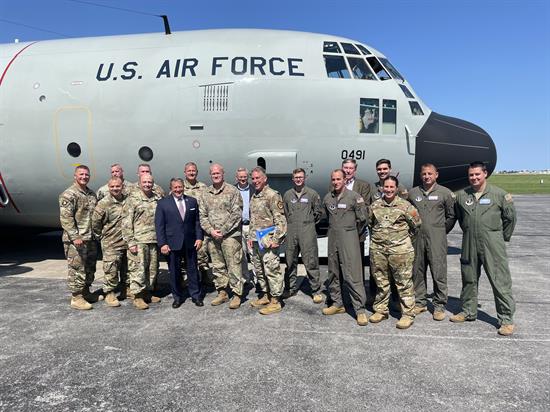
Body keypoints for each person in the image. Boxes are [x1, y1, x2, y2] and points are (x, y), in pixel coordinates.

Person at [450, 161, 517, 336]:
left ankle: (506, 319)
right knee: (469, 278)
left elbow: (510, 219)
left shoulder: (499, 195)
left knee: (499, 281)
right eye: (471, 175)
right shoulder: (462, 196)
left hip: (492, 243)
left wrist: (500, 238)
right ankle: (468, 311)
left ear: (485, 174)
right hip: (469, 241)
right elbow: (455, 215)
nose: (474, 178)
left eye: (477, 174)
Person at [368, 176, 421, 329]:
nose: (389, 190)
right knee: (381, 281)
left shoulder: (406, 206)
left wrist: (400, 241)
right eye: (386, 187)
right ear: (382, 188)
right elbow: (371, 225)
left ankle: (408, 314)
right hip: (379, 251)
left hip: (401, 252)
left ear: (396, 189)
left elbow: (416, 226)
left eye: (392, 187)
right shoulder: (375, 206)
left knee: (404, 283)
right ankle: (381, 310)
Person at [408, 164, 456, 320]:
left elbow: (451, 216)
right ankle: (420, 302)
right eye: (424, 174)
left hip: (437, 238)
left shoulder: (445, 193)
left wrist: (440, 231)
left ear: (436, 175)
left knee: (438, 271)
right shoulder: (413, 193)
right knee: (417, 270)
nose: (427, 176)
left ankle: (439, 305)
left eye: (430, 173)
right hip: (417, 238)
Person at [322, 169, 369, 326]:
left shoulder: (354, 197)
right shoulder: (328, 198)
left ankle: (360, 309)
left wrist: (352, 234)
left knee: (352, 274)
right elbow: (327, 217)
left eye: (338, 179)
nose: (335, 182)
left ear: (345, 180)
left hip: (349, 237)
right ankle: (337, 303)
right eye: (333, 179)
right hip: (333, 237)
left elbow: (363, 220)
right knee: (333, 272)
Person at [200, 164, 244, 309]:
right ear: (210, 175)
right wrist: (211, 231)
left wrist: (223, 231)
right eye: (213, 173)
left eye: (218, 173)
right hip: (213, 237)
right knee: (218, 266)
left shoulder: (232, 191)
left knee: (233, 266)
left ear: (223, 174)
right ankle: (222, 292)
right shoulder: (206, 193)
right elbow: (202, 215)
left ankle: (237, 294)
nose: (216, 175)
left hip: (230, 236)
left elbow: (236, 214)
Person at [155, 178, 204, 308]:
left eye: (180, 187)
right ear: (171, 188)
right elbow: (159, 226)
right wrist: (162, 244)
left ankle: (196, 296)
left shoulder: (192, 201)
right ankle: (177, 297)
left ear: (183, 187)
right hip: (172, 243)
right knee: (175, 272)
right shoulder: (163, 204)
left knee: (193, 270)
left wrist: (199, 238)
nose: (178, 190)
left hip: (190, 242)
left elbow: (197, 222)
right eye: (175, 187)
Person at [248, 166, 287, 315]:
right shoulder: (254, 196)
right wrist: (251, 237)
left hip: (269, 241)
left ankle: (276, 301)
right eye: (254, 178)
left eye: (258, 178)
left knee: (272, 269)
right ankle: (266, 295)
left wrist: (277, 239)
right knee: (259, 270)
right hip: (257, 241)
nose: (255, 181)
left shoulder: (272, 195)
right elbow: (253, 220)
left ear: (265, 179)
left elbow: (280, 220)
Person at [59, 165, 98, 310]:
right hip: (76, 240)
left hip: (90, 238)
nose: (84, 177)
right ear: (75, 176)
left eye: (87, 174)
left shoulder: (91, 194)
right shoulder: (69, 194)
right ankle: (76, 297)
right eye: (81, 174)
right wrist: (75, 236)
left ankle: (86, 292)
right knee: (77, 268)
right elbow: (66, 218)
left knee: (89, 268)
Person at [282, 168, 323, 303]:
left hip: (307, 230)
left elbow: (318, 213)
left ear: (305, 178)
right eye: (296, 177)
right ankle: (290, 288)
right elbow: (285, 213)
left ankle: (316, 290)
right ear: (292, 179)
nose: (298, 179)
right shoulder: (287, 195)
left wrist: (308, 224)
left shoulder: (312, 194)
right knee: (290, 261)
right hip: (292, 230)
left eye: (300, 177)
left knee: (311, 261)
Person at [122, 174, 162, 310]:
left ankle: (147, 293)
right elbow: (126, 222)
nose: (147, 184)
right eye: (145, 182)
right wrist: (130, 242)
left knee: (151, 269)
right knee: (138, 269)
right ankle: (137, 296)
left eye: (150, 182)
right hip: (138, 240)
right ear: (139, 183)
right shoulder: (132, 199)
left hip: (153, 240)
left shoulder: (157, 198)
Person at [92, 177, 128, 307]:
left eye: (117, 186)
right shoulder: (103, 203)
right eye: (112, 187)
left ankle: (126, 289)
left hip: (126, 241)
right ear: (108, 187)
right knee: (111, 269)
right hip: (111, 242)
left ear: (122, 186)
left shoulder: (127, 200)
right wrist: (102, 236)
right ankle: (109, 292)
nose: (115, 189)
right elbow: (95, 223)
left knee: (127, 268)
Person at [183, 162, 211, 283]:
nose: (191, 173)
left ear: (197, 172)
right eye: (189, 171)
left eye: (193, 170)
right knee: (186, 253)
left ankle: (204, 276)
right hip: (185, 226)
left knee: (202, 252)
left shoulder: (203, 187)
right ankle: (186, 278)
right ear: (185, 172)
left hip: (200, 225)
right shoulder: (180, 187)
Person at [235, 167, 255, 285]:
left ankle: (258, 279)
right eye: (240, 177)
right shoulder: (232, 190)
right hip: (239, 226)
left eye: (244, 177)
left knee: (254, 254)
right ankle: (245, 278)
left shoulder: (254, 189)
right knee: (241, 254)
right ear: (236, 178)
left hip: (251, 226)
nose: (242, 179)